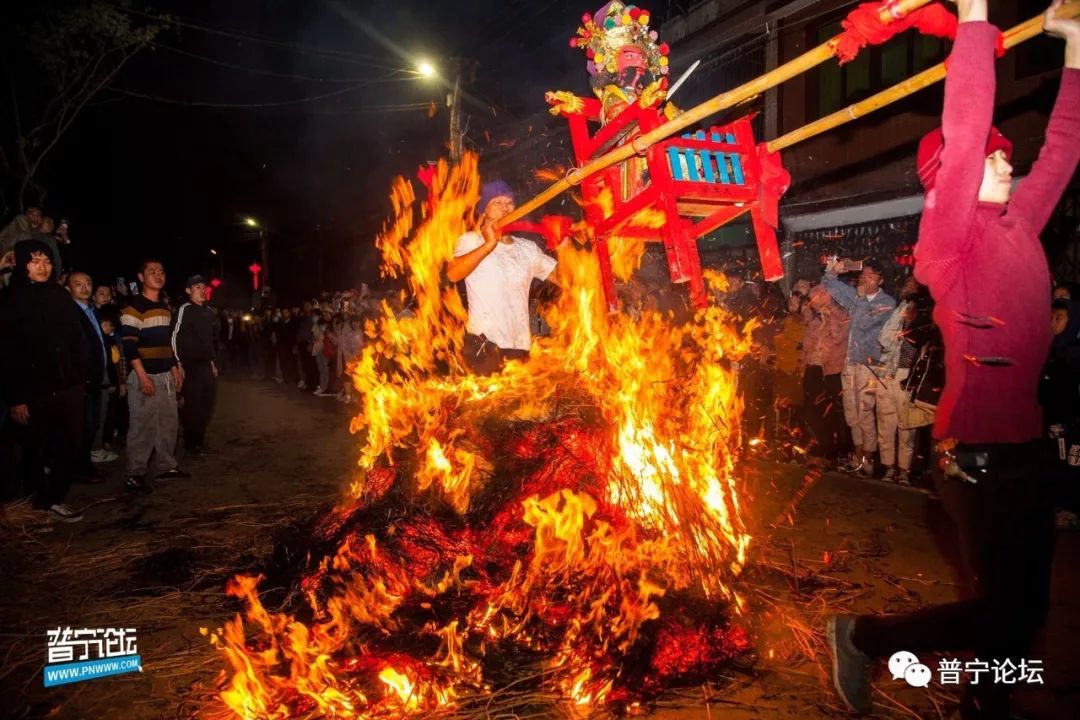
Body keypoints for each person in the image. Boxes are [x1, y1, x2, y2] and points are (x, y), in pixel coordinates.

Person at [828, 2, 1080, 717]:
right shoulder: (949, 242)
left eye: (1006, 155)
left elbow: (1063, 148)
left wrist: (1077, 50)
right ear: (952, 180)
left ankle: (983, 703)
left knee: (1022, 613)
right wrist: (972, 18)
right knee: (1003, 609)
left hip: (1026, 449)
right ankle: (865, 636)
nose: (1007, 159)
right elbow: (964, 132)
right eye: (994, 158)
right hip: (977, 458)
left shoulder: (1021, 223)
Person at [0, 241, 89, 521]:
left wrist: (80, 374)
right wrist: (15, 398)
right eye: (35, 260)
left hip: (69, 387)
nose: (42, 266)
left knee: (71, 445)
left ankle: (54, 499)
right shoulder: (11, 298)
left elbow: (78, 338)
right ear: (22, 264)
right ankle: (37, 506)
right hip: (33, 391)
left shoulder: (60, 296)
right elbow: (7, 352)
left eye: (47, 261)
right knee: (35, 451)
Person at [447, 180, 557, 374]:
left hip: (521, 348)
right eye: (497, 203)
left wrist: (561, 242)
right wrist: (489, 245)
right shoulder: (472, 240)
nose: (505, 208)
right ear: (484, 211)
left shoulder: (527, 248)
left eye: (509, 202)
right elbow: (453, 273)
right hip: (484, 347)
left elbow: (566, 279)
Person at [822, 257, 896, 477]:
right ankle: (857, 456)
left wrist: (862, 300)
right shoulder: (857, 297)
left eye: (871, 276)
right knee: (852, 414)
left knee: (865, 413)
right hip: (850, 363)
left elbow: (864, 324)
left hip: (869, 366)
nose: (865, 279)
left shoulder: (887, 302)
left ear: (880, 280)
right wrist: (832, 272)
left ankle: (868, 459)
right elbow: (831, 287)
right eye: (864, 275)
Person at [122, 260, 189, 493]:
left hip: (164, 376)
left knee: (168, 423)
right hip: (145, 375)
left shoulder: (163, 308)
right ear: (141, 277)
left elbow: (166, 344)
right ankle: (135, 473)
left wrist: (174, 366)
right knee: (142, 427)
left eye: (161, 271)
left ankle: (165, 466)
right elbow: (129, 346)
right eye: (152, 271)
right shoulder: (134, 308)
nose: (158, 275)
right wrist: (142, 377)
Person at [67, 272, 114, 476]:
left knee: (92, 424)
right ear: (69, 288)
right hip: (79, 380)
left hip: (95, 377)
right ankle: (79, 469)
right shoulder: (68, 312)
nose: (84, 288)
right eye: (78, 284)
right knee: (81, 427)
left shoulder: (92, 311)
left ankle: (84, 465)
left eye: (88, 283)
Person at [800, 284, 850, 465]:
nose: (814, 302)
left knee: (832, 414)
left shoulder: (842, 316)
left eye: (818, 297)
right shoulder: (814, 322)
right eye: (812, 298)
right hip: (813, 370)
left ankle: (835, 453)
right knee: (813, 413)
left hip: (831, 372)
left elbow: (838, 338)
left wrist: (829, 319)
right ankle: (820, 449)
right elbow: (806, 348)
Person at [172, 275, 220, 456]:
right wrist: (177, 363)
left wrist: (212, 362)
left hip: (206, 366)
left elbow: (209, 341)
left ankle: (199, 440)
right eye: (197, 287)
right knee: (192, 407)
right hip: (189, 366)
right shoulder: (185, 309)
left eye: (203, 286)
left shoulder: (209, 312)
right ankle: (191, 444)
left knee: (207, 405)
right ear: (188, 290)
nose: (202, 290)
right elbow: (174, 336)